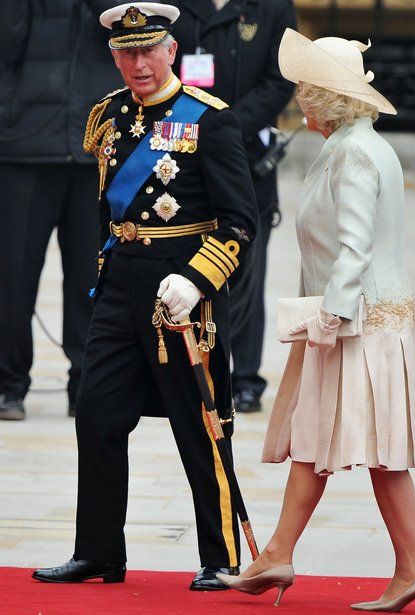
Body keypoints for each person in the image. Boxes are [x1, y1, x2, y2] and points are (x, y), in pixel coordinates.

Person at [32, 2, 258, 591]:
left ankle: (221, 556)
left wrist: (198, 279)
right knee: (97, 415)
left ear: (171, 50)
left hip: (181, 292)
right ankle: (98, 552)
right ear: (114, 57)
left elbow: (240, 223)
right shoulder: (109, 115)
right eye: (127, 53)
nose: (139, 64)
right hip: (119, 285)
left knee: (200, 423)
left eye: (149, 51)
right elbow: (107, 210)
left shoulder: (209, 120)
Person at [217, 29, 415, 612]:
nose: (298, 100)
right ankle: (278, 554)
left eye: (305, 90)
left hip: (358, 324)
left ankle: (411, 568)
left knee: (381, 454)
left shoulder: (355, 153)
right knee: (316, 439)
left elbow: (354, 248)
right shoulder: (356, 146)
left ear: (325, 97)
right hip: (361, 320)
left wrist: (331, 318)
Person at [169, 0, 297, 413]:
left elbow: (280, 79)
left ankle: (244, 378)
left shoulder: (272, 7)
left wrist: (224, 130)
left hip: (245, 154)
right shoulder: (176, 6)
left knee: (246, 271)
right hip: (183, 153)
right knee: (188, 265)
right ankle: (195, 369)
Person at [0, 0, 124, 420]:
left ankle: (87, 383)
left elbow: (128, 25)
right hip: (22, 147)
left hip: (96, 148)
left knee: (92, 278)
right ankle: (8, 384)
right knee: (12, 277)